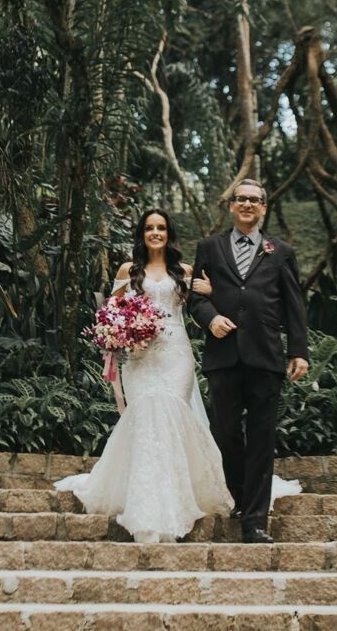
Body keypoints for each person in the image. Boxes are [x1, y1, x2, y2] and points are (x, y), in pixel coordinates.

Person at [55, 207, 233, 543]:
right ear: (142, 233)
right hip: (140, 357)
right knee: (146, 419)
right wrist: (123, 331)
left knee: (170, 416)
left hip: (175, 354)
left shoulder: (184, 271)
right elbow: (109, 312)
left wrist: (210, 294)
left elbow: (199, 311)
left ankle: (177, 499)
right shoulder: (128, 270)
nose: (156, 233)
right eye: (150, 228)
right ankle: (146, 501)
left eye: (161, 228)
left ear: (168, 234)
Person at [190, 179, 309, 544]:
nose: (246, 205)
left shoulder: (281, 252)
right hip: (223, 356)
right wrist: (210, 317)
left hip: (265, 356)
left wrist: (299, 351)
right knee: (224, 433)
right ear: (230, 206)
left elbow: (294, 304)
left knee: (261, 437)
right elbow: (195, 295)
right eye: (240, 199)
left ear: (263, 208)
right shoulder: (209, 247)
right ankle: (241, 496)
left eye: (253, 200)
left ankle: (255, 520)